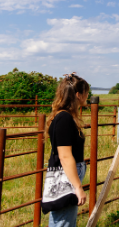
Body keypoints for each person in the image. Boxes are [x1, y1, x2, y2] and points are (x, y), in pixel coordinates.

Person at [46, 73, 90, 227]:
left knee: (64, 221)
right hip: (66, 179)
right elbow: (65, 156)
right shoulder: (64, 119)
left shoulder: (65, 117)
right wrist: (78, 187)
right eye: (86, 93)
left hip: (67, 177)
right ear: (78, 95)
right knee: (63, 223)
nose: (87, 96)